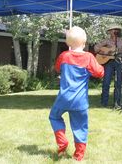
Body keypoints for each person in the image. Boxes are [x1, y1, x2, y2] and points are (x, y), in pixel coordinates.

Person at [49, 26, 104, 161]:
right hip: (80, 101)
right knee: (80, 126)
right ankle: (78, 155)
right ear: (84, 43)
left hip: (63, 98)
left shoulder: (64, 56)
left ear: (68, 43)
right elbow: (99, 73)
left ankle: (62, 143)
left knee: (54, 117)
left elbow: (57, 68)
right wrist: (101, 65)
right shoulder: (89, 57)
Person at [94, 24, 122, 108]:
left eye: (116, 30)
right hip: (108, 63)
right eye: (113, 30)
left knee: (119, 83)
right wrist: (105, 52)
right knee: (106, 82)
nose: (114, 31)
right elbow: (96, 48)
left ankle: (117, 102)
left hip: (118, 61)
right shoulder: (106, 41)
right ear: (110, 32)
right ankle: (104, 102)